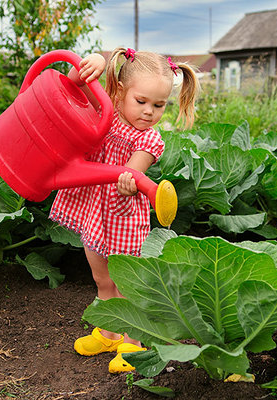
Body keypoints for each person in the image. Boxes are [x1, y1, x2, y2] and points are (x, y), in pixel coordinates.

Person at [49, 47, 199, 373]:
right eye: (141, 101)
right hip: (94, 210)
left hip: (122, 216)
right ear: (120, 90)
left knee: (127, 282)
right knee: (102, 279)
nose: (149, 112)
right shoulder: (107, 108)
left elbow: (132, 170)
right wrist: (92, 65)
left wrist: (129, 179)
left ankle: (133, 342)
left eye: (159, 105)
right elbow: (72, 85)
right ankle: (108, 332)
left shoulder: (151, 139)